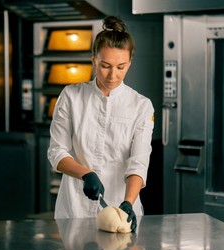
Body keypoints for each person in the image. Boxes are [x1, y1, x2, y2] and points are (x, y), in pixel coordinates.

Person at [47, 16, 154, 232]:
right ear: (94, 60)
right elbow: (56, 152)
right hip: (74, 211)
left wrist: (128, 203)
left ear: (130, 63)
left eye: (121, 67)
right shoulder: (71, 96)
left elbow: (139, 162)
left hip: (121, 213)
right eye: (105, 66)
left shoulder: (141, 106)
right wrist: (85, 174)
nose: (113, 75)